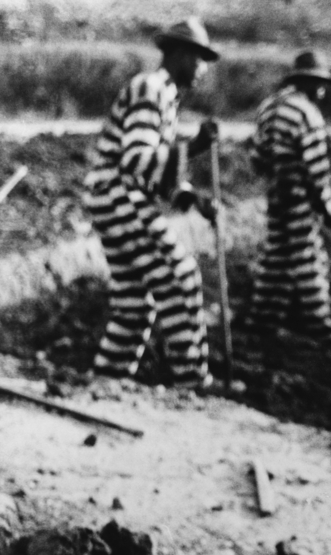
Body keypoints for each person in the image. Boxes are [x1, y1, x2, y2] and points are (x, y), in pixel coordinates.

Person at [84, 17, 219, 389]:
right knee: (179, 277)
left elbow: (157, 173)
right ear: (177, 54)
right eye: (198, 58)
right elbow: (136, 161)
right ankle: (192, 382)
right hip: (118, 195)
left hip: (115, 197)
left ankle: (106, 383)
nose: (202, 68)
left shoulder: (165, 98)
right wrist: (193, 147)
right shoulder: (150, 89)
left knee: (135, 304)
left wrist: (193, 198)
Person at [241, 50, 331, 353]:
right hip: (297, 196)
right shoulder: (307, 114)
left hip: (275, 194)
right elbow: (316, 170)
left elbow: (257, 158)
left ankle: (261, 320)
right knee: (309, 259)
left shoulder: (268, 107)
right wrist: (327, 208)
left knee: (277, 258)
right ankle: (323, 326)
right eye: (320, 84)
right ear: (309, 82)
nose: (322, 91)